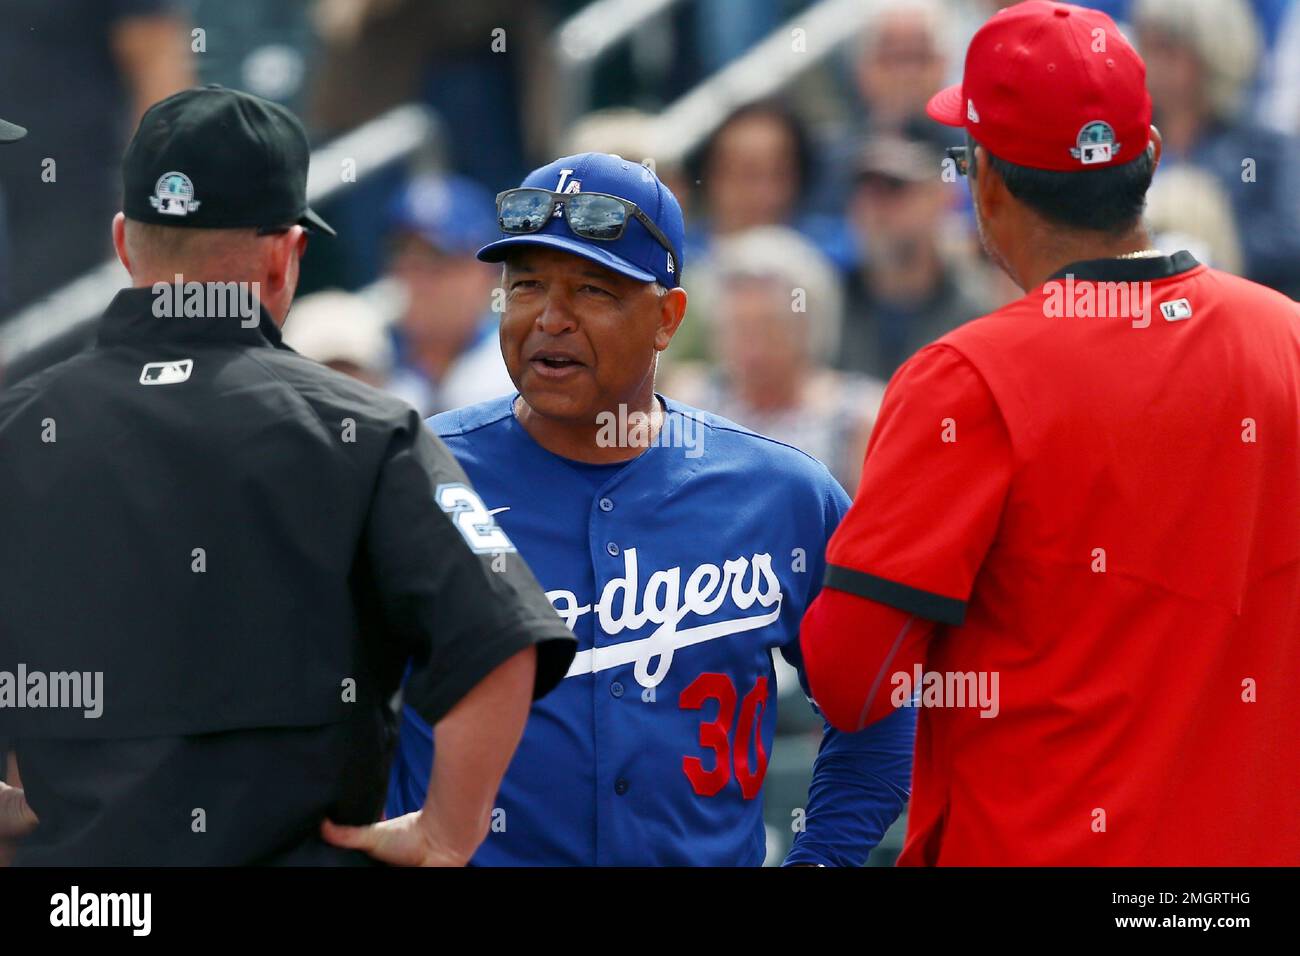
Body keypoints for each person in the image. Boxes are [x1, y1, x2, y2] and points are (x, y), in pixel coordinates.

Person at [0, 86, 574, 866]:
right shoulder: (366, 429)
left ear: (126, 243)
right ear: (283, 255)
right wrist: (448, 832)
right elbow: (505, 642)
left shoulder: (19, 428)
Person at [799, 0, 1300, 865]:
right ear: (1148, 157)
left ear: (985, 181)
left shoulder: (967, 377)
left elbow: (855, 680)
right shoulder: (1287, 336)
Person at [384, 152, 916, 867]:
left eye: (592, 290)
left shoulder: (783, 494)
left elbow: (880, 714)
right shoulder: (415, 479)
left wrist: (822, 858)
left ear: (667, 318)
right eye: (527, 285)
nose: (551, 318)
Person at [667, 225, 884, 493]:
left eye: (768, 329)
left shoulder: (856, 417)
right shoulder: (693, 402)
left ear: (807, 327)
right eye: (739, 329)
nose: (753, 351)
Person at [840, 136, 992, 379]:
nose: (875, 209)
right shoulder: (831, 301)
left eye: (894, 189)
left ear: (941, 198)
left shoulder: (981, 306)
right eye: (865, 191)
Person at [382, 173, 513, 414]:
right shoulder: (374, 359)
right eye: (405, 258)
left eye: (437, 260)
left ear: (485, 272)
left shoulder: (516, 369)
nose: (417, 279)